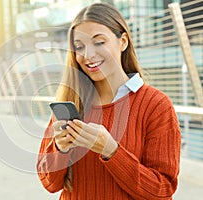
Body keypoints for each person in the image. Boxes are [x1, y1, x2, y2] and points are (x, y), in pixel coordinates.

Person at [37, 2, 181, 200]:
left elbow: (162, 190)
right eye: (79, 47)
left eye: (99, 42)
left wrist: (111, 150)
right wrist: (60, 149)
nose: (88, 55)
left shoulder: (156, 105)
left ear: (123, 42)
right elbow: (49, 184)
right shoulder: (70, 102)